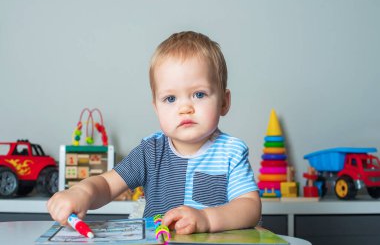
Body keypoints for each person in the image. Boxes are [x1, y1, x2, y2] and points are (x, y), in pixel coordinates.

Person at [47, 31, 261, 234]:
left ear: (224, 102)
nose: (185, 108)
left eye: (199, 94)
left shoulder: (231, 152)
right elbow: (106, 184)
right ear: (156, 107)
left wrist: (207, 219)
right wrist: (81, 192)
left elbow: (249, 207)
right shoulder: (150, 151)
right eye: (170, 99)